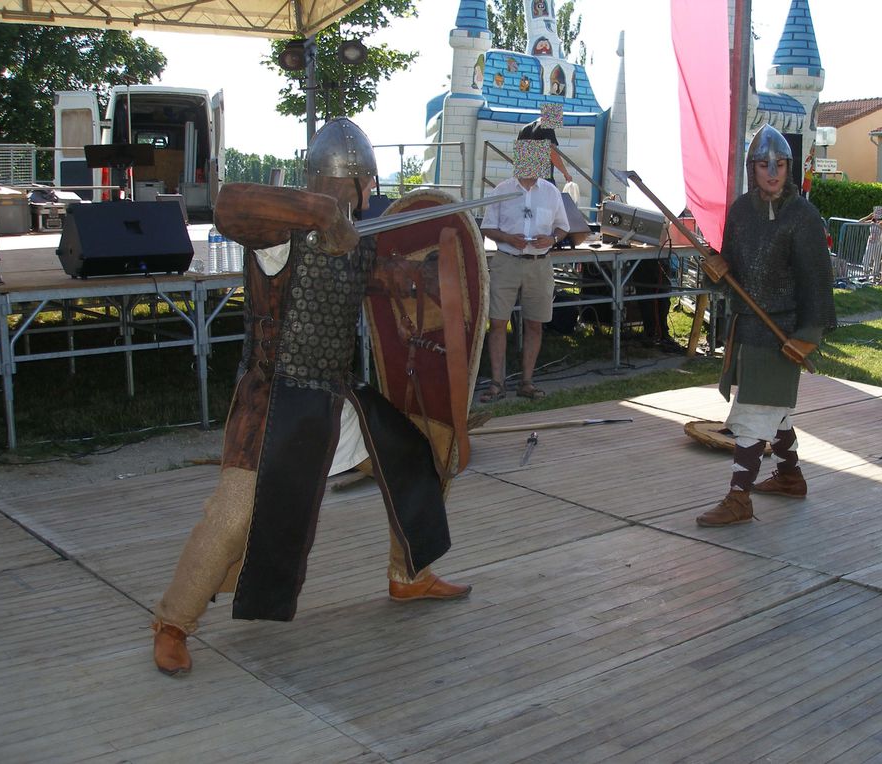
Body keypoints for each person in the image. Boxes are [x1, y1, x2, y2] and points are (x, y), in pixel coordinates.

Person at [151, 118, 470, 677]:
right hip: (273, 403)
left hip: (335, 397)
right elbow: (230, 204)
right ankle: (173, 623)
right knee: (232, 518)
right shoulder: (278, 237)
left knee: (419, 457)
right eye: (357, 189)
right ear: (358, 182)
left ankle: (408, 576)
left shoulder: (352, 245)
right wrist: (321, 214)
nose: (358, 198)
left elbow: (389, 277)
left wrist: (424, 270)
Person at [695, 124, 836, 528]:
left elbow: (817, 282)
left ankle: (739, 498)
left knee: (755, 413)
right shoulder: (740, 212)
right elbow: (732, 271)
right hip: (750, 330)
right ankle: (790, 476)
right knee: (776, 412)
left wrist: (809, 335)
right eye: (763, 164)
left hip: (784, 333)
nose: (771, 171)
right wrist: (716, 269)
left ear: (789, 167)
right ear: (751, 168)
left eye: (779, 164)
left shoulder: (803, 217)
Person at [478, 139, 570, 403]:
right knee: (497, 323)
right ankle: (497, 384)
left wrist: (551, 239)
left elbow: (563, 227)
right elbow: (487, 228)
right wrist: (508, 238)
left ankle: (526, 382)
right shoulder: (502, 190)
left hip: (539, 264)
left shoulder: (551, 192)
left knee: (535, 324)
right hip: (506, 261)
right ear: (518, 160)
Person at [518, 115, 572, 186]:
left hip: (524, 178)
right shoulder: (546, 128)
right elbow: (553, 153)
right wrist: (565, 173)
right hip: (542, 178)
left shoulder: (524, 129)